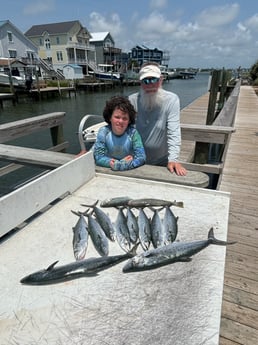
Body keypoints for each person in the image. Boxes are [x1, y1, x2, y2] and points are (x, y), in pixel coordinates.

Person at [129, 62, 187, 176]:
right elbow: (120, 128)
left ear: (161, 80)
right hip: (136, 158)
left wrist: (174, 159)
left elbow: (173, 131)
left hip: (162, 161)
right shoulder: (132, 100)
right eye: (146, 81)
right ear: (140, 83)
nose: (150, 85)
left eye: (153, 80)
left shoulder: (172, 100)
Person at [93, 95, 146, 171]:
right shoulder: (103, 132)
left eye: (125, 118)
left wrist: (123, 166)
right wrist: (118, 164)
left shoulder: (133, 133)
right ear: (110, 118)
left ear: (129, 121)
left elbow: (142, 157)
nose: (120, 121)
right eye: (117, 117)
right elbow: (98, 157)